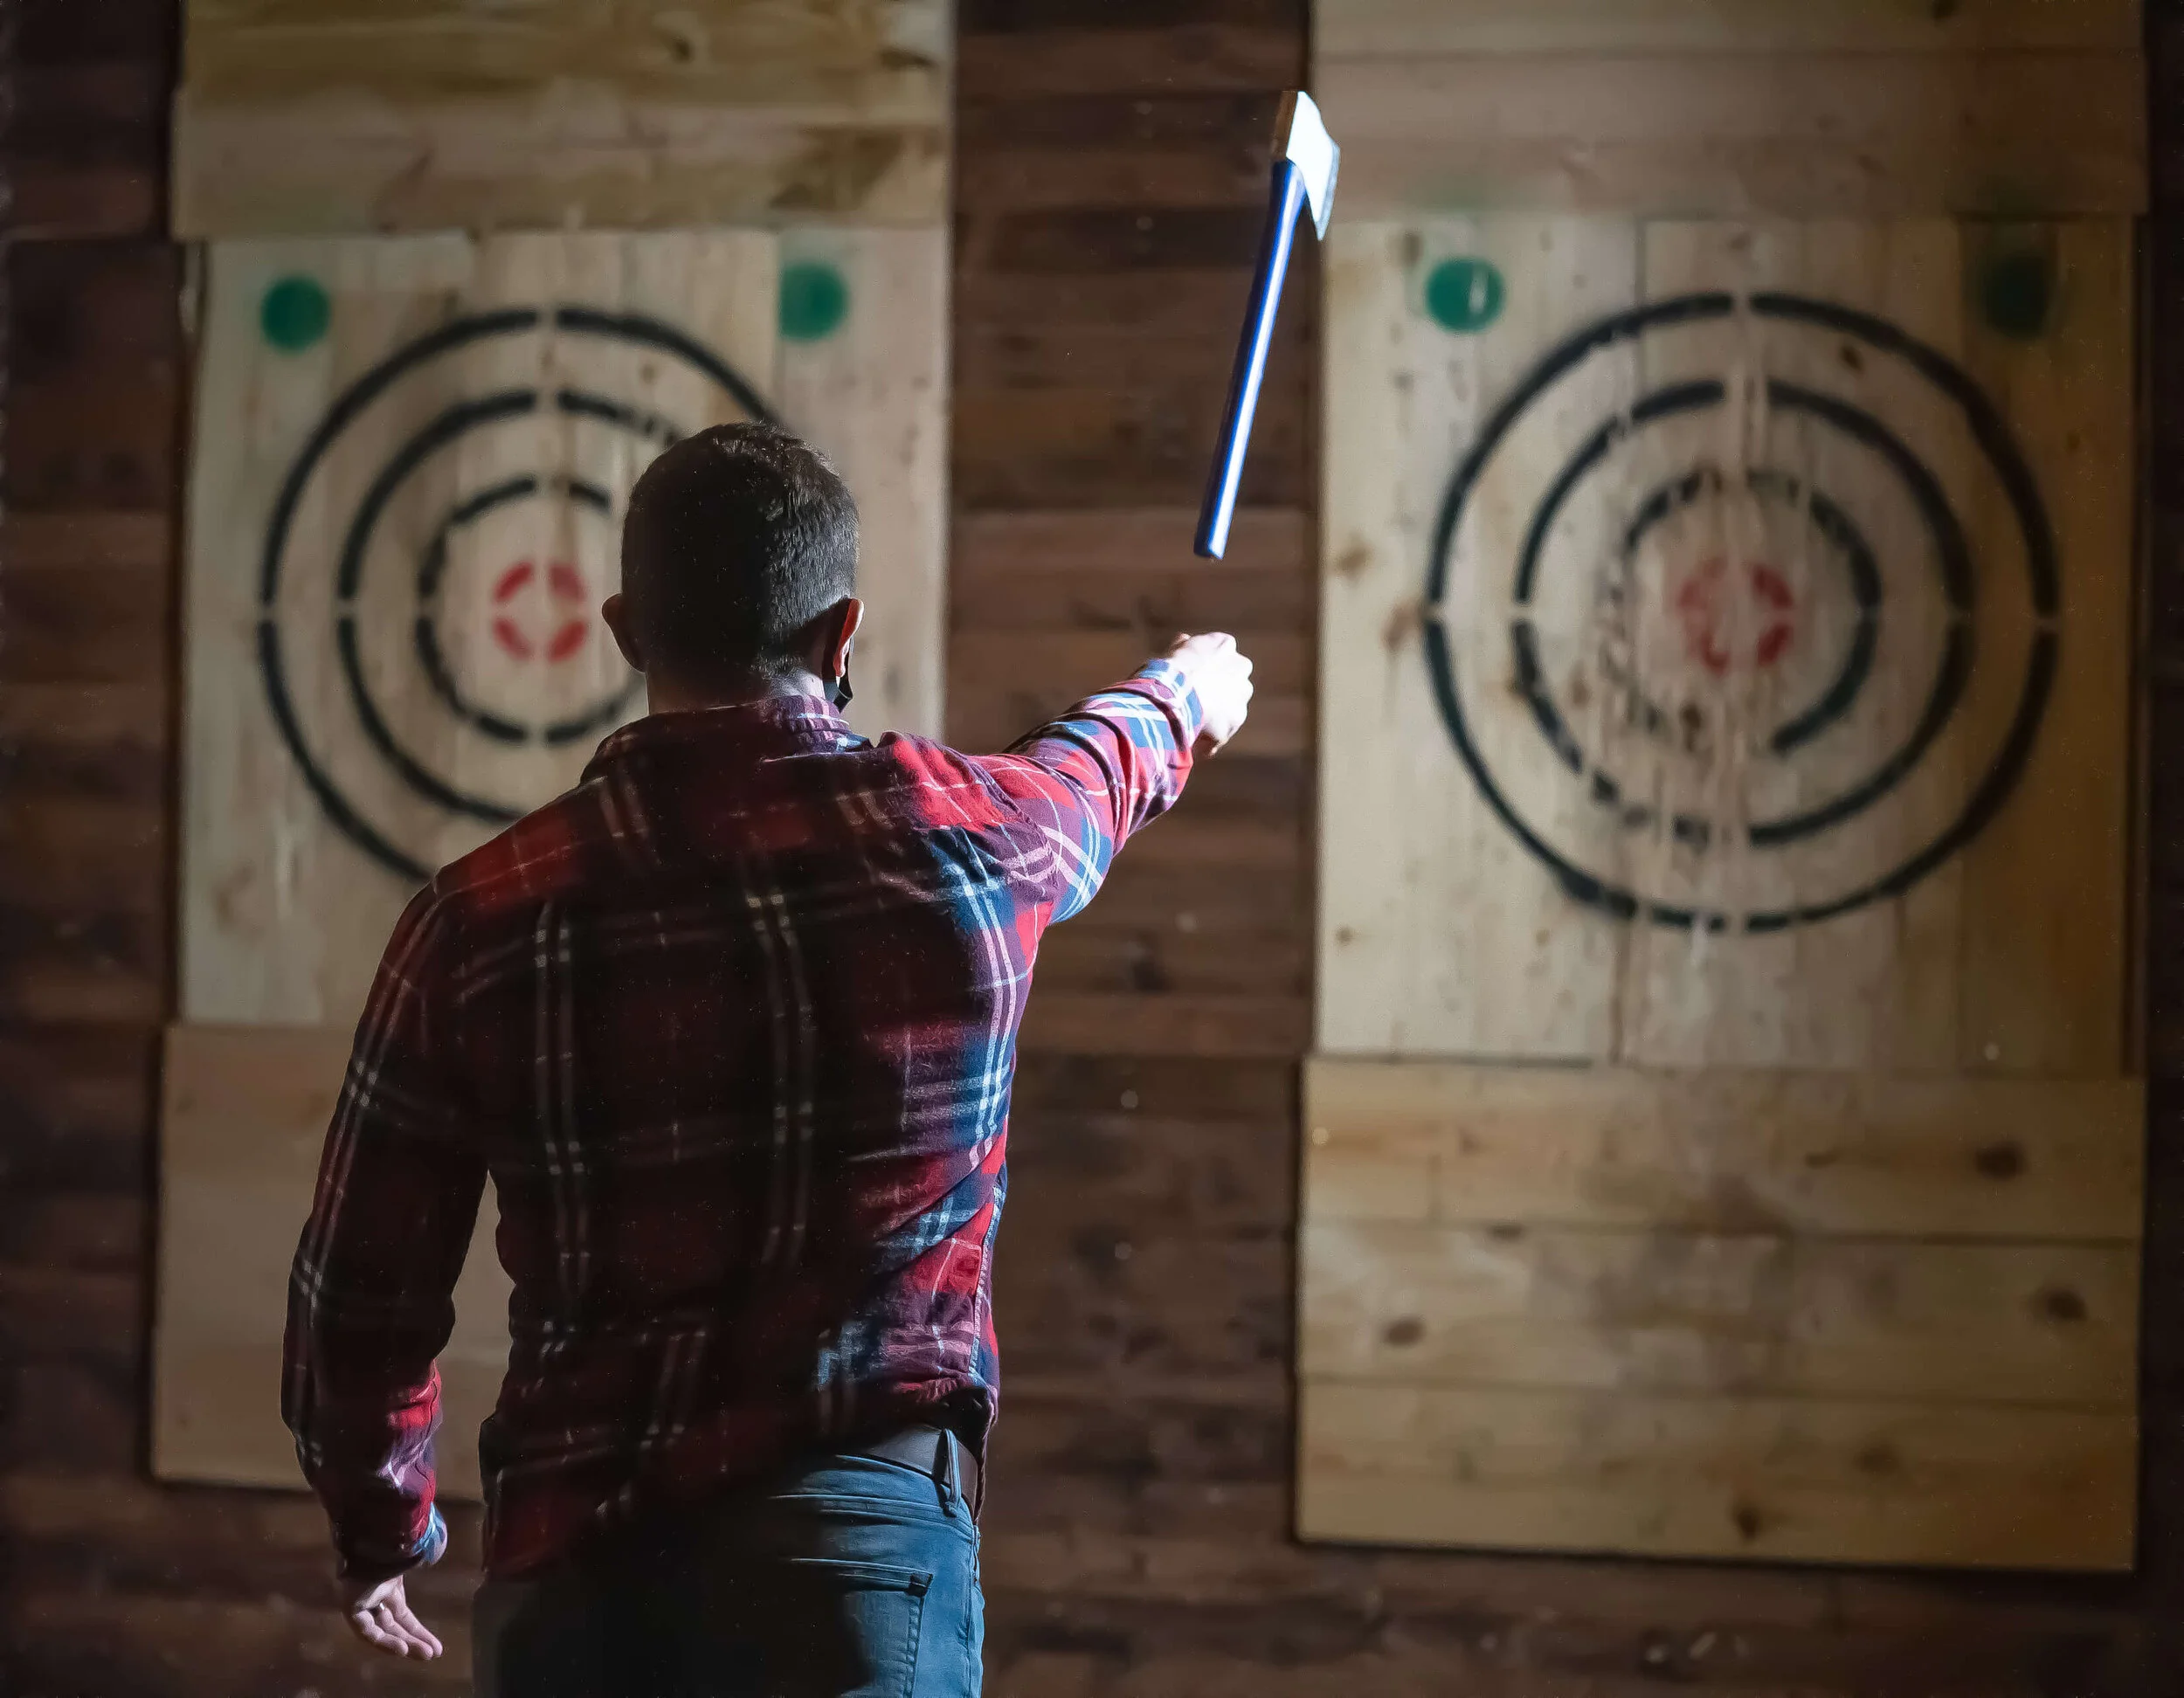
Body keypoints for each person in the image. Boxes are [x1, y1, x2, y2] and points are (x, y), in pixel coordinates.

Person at [280, 422, 1254, 1697]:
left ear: (626, 630)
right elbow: (1091, 772)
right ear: (840, 634)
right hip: (858, 1570)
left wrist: (381, 1528)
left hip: (580, 1580)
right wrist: (1184, 696)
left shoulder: (478, 917)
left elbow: (362, 1294)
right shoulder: (973, 842)